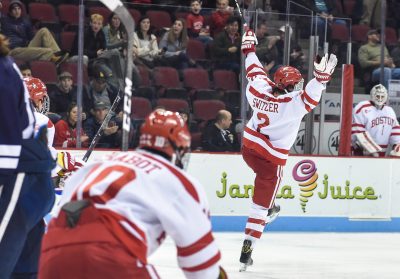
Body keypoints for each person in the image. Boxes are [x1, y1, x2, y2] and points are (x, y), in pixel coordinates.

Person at [38, 110, 227, 279]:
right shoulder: (178, 180)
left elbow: (64, 203)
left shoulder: (102, 163)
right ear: (179, 149)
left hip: (51, 251)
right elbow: (200, 264)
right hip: (110, 254)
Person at [238, 29, 338, 271]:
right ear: (290, 86)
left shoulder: (258, 89)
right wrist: (321, 79)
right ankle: (247, 249)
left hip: (248, 148)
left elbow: (253, 69)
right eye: (298, 84)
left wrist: (249, 48)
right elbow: (311, 96)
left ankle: (269, 207)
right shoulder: (292, 105)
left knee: (264, 198)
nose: (300, 86)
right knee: (260, 206)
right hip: (270, 160)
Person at [0, 33, 55, 278]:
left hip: (21, 180)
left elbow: (9, 147)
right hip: (28, 178)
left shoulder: (3, 72)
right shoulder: (7, 67)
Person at [0, 0, 68, 65]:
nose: (17, 11)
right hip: (14, 49)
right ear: (10, 11)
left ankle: (57, 54)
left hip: (26, 47)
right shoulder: (5, 20)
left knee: (44, 30)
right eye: (14, 9)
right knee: (48, 51)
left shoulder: (25, 21)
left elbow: (32, 37)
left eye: (19, 9)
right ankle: (53, 58)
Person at [352, 84, 400, 157]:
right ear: (372, 95)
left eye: (382, 96)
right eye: (378, 96)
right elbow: (358, 132)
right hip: (362, 153)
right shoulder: (362, 107)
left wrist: (397, 146)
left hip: (381, 154)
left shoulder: (390, 111)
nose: (380, 98)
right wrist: (371, 149)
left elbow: (396, 134)